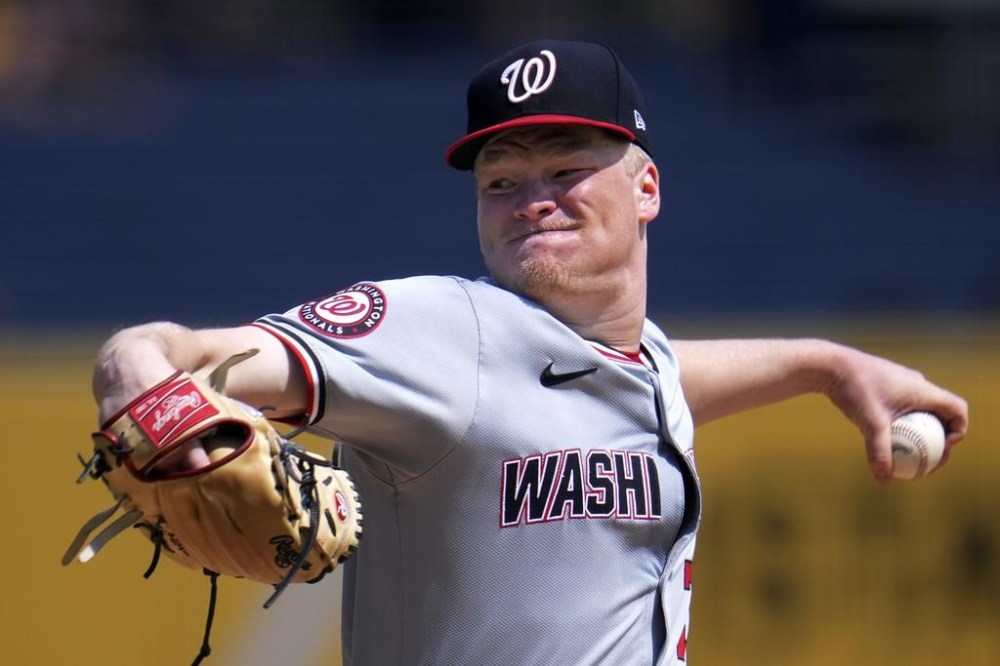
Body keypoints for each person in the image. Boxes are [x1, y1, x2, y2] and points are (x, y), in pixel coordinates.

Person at [92, 39, 968, 665]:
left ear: (646, 188)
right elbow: (183, 351)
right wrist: (135, 377)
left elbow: (651, 381)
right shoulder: (437, 330)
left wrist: (827, 365)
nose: (533, 199)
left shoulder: (634, 365)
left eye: (566, 168)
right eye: (502, 182)